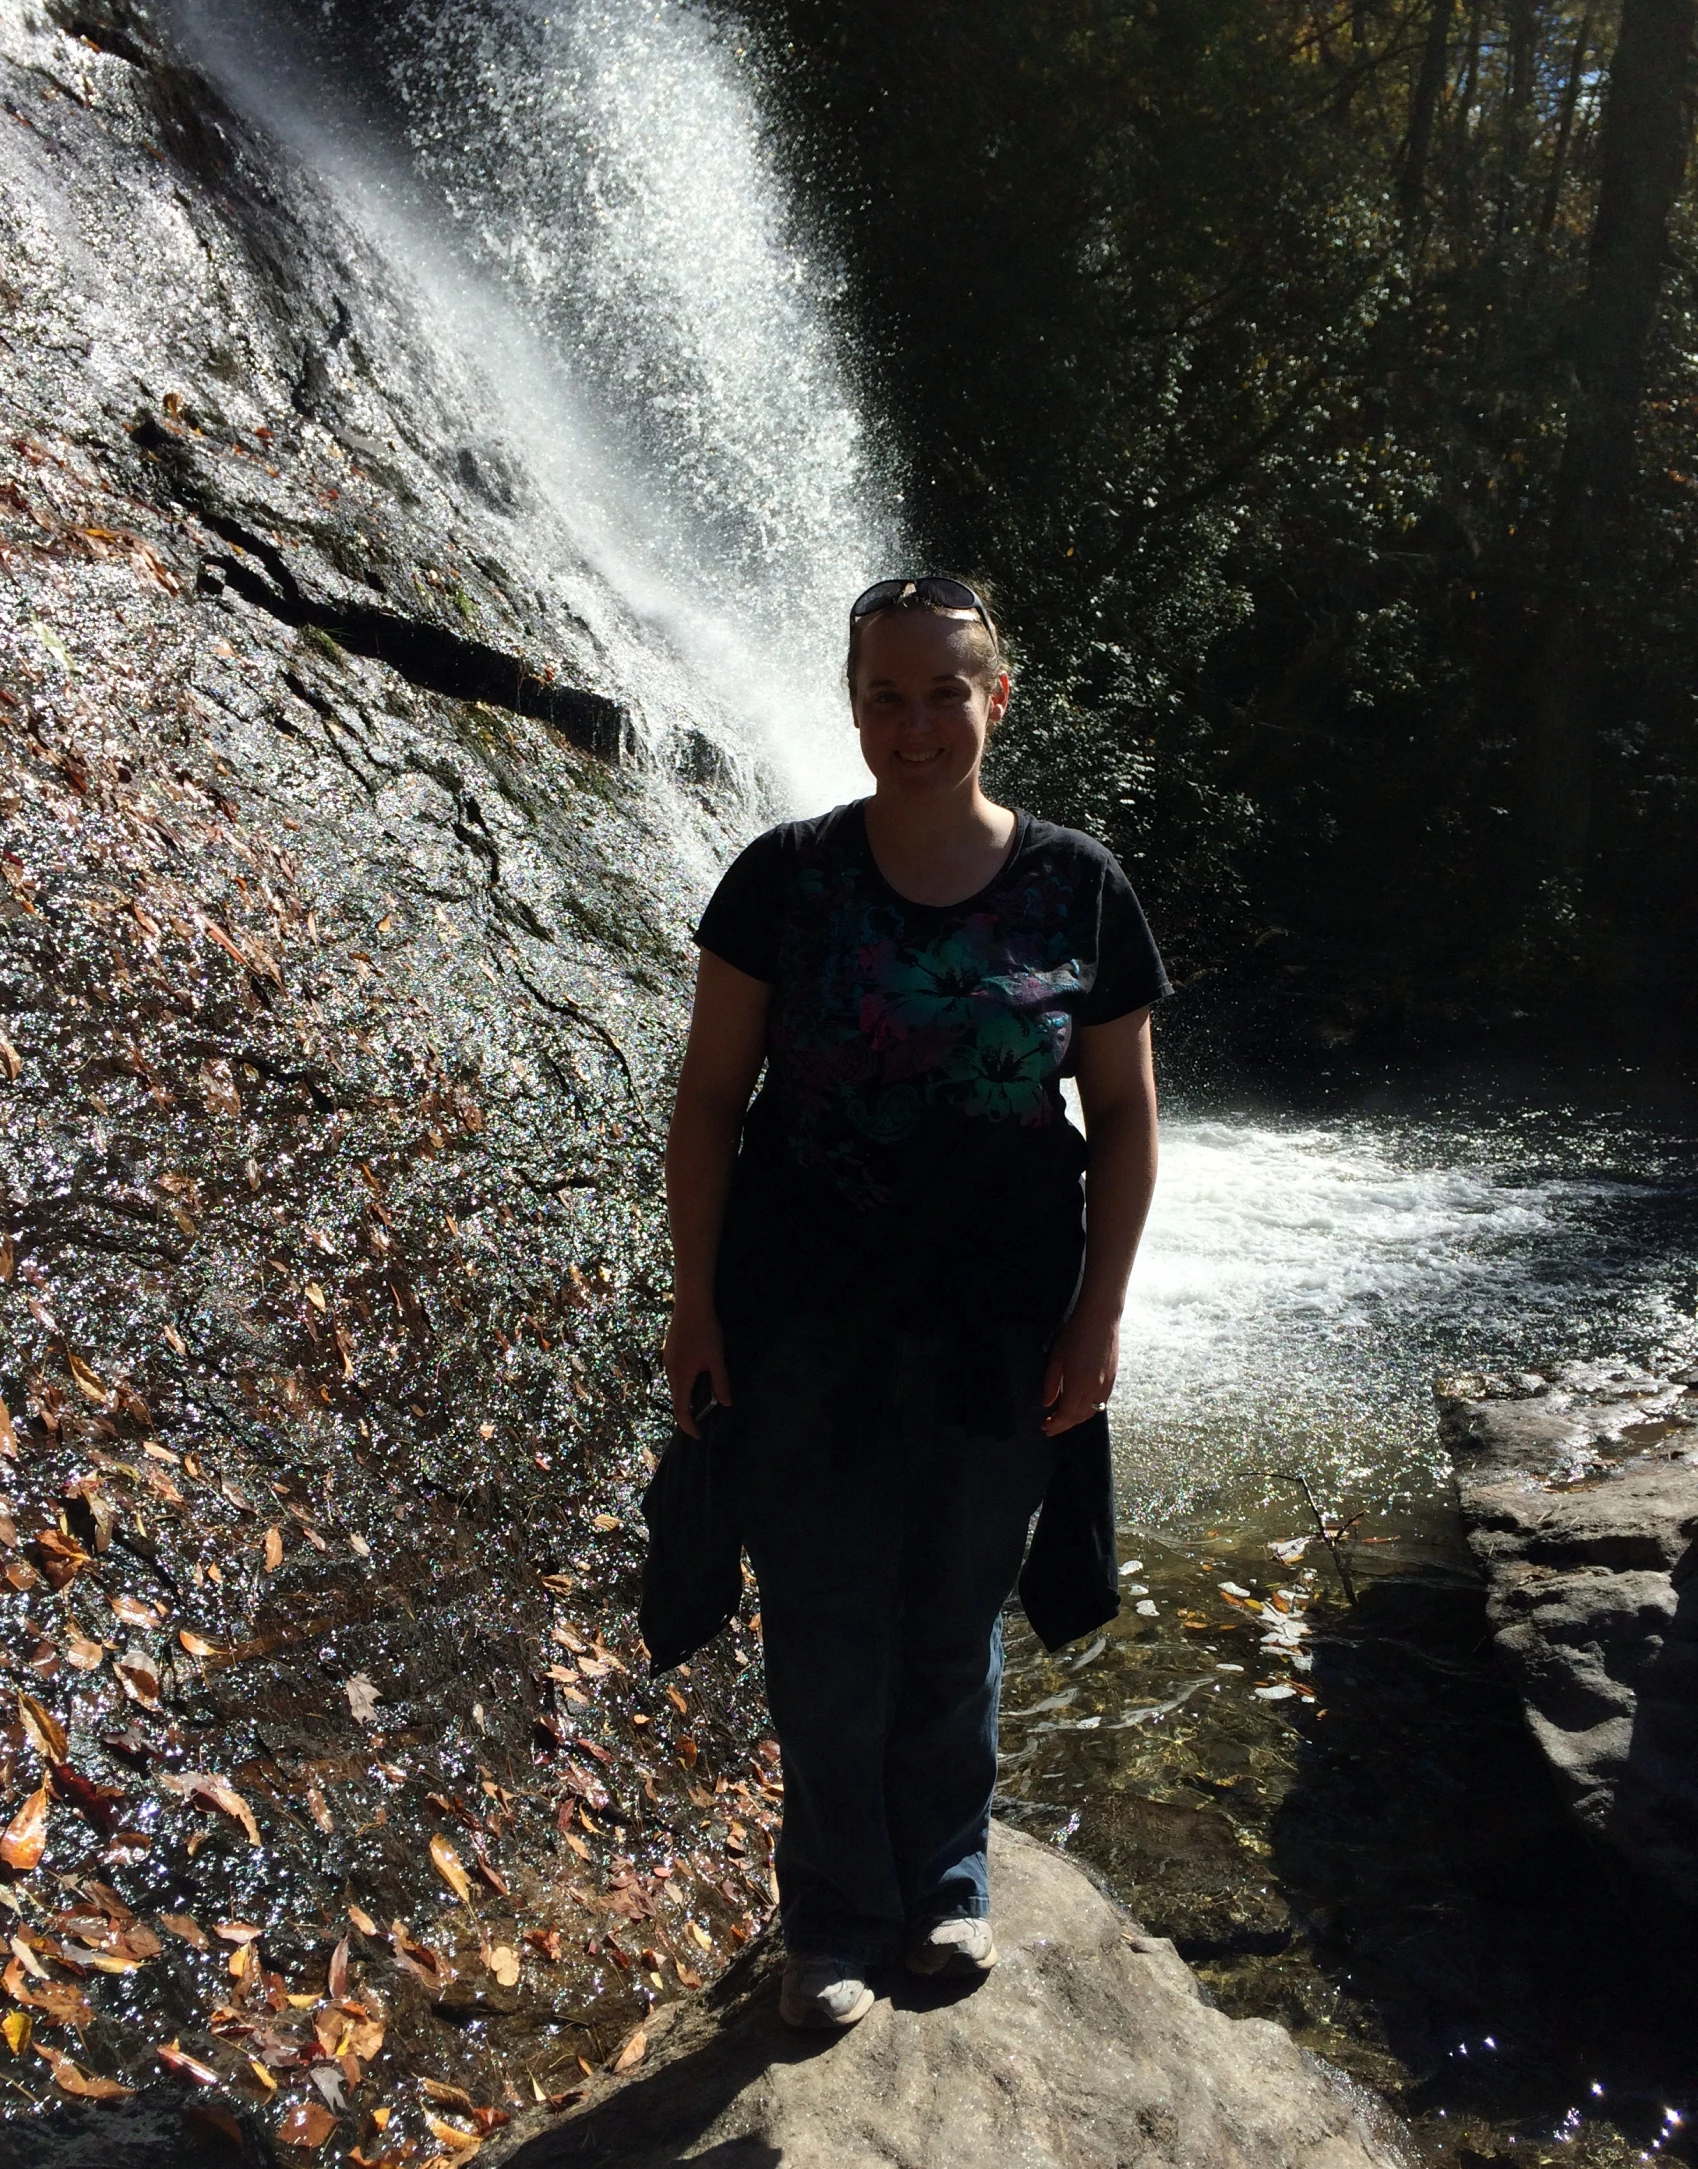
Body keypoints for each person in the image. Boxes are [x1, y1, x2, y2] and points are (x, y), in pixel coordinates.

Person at [662, 576, 1167, 2030]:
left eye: (942, 691)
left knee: (952, 1618)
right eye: (883, 694)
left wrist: (1100, 1315)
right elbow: (707, 1103)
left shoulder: (1078, 884)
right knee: (822, 1626)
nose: (912, 722)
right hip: (802, 1321)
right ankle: (833, 1920)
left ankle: (945, 1887)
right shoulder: (784, 878)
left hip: (1002, 1322)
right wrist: (694, 1307)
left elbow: (1124, 1117)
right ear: (853, 704)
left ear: (995, 700)